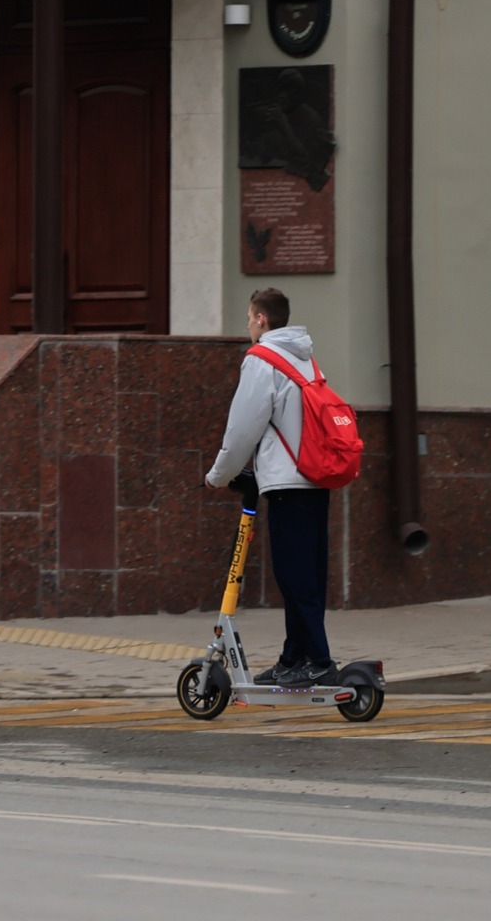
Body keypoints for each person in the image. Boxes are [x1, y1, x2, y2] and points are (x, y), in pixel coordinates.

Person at [205, 287, 335, 687]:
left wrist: (219, 475)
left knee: (295, 576)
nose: (248, 325)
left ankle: (319, 660)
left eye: (248, 318)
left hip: (287, 483)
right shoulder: (305, 357)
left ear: (261, 319)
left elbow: (243, 427)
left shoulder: (262, 360)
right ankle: (294, 658)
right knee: (307, 572)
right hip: (315, 478)